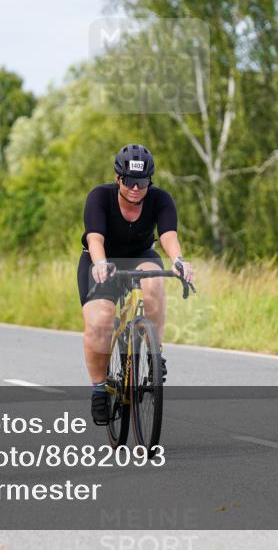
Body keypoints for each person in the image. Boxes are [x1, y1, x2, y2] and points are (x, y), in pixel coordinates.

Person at [79, 144, 195, 425]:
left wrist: (178, 260)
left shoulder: (160, 199)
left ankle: (155, 354)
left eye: (142, 182)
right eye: (129, 181)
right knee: (100, 322)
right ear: (118, 178)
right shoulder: (100, 197)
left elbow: (168, 235)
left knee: (155, 282)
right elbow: (95, 238)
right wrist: (101, 263)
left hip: (141, 256)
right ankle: (98, 389)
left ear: (150, 180)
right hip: (102, 260)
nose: (135, 188)